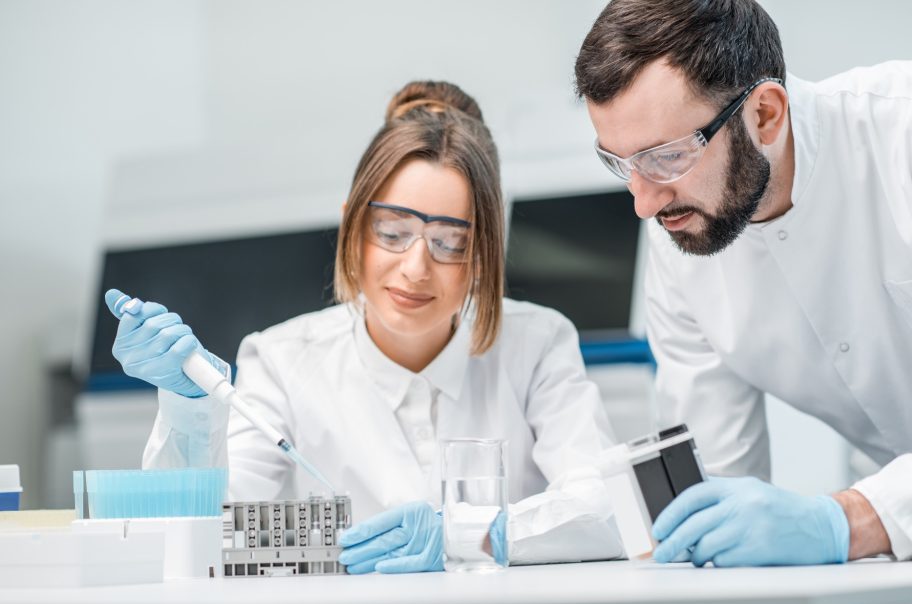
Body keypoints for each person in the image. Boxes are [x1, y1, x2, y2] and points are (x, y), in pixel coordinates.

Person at [574, 1, 912, 604]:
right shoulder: (681, 242)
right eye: (621, 162)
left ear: (765, 115)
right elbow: (717, 489)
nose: (642, 200)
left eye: (665, 155)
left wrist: (842, 519)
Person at [105, 80, 624, 574]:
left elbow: (607, 508)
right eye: (393, 232)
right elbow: (206, 533)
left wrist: (469, 534)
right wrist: (189, 409)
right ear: (353, 227)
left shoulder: (537, 345)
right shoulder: (282, 361)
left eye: (450, 243)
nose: (416, 268)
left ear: (484, 256)